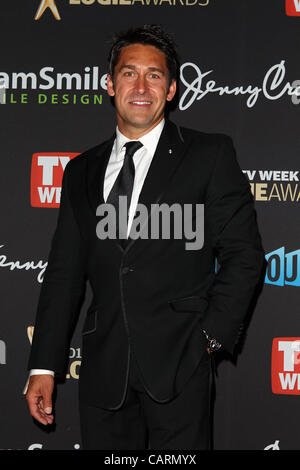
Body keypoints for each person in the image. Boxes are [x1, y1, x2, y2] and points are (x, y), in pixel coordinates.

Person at [26, 24, 265, 450]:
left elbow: (243, 255)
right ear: (109, 83)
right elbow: (64, 274)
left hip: (181, 365)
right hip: (102, 371)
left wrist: (209, 339)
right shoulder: (80, 170)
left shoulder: (208, 155)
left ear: (171, 88)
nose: (140, 86)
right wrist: (43, 365)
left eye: (154, 75)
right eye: (128, 73)